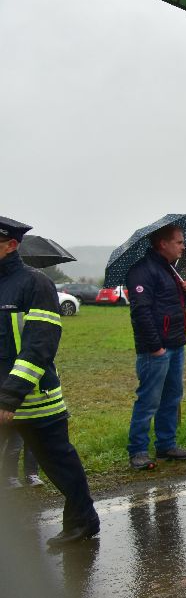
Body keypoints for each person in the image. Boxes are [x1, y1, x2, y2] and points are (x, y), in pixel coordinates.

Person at [0, 216, 99, 545]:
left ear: (10, 245)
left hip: (33, 400)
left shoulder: (35, 284)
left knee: (59, 463)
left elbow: (39, 345)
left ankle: (83, 520)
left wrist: (10, 396)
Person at [125, 223, 186, 469]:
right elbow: (141, 312)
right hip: (155, 351)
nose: (183, 246)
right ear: (163, 244)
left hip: (176, 345)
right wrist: (156, 347)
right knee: (148, 401)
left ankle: (166, 446)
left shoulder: (170, 269)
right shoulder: (142, 271)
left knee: (172, 398)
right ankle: (138, 452)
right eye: (179, 242)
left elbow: (168, 304)